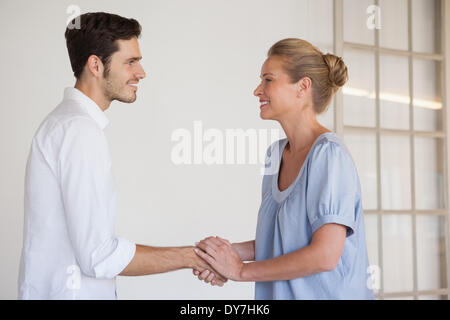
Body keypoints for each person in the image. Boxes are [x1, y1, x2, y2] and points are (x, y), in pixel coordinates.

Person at [18, 12, 224, 300]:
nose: (141, 72)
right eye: (130, 62)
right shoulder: (79, 131)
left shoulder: (65, 123)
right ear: (95, 65)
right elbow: (98, 256)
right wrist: (192, 257)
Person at [194, 38, 375, 300]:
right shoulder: (275, 154)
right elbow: (282, 243)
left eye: (268, 80)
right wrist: (223, 255)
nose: (257, 90)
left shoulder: (328, 155)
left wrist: (241, 271)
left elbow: (324, 255)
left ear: (303, 86)